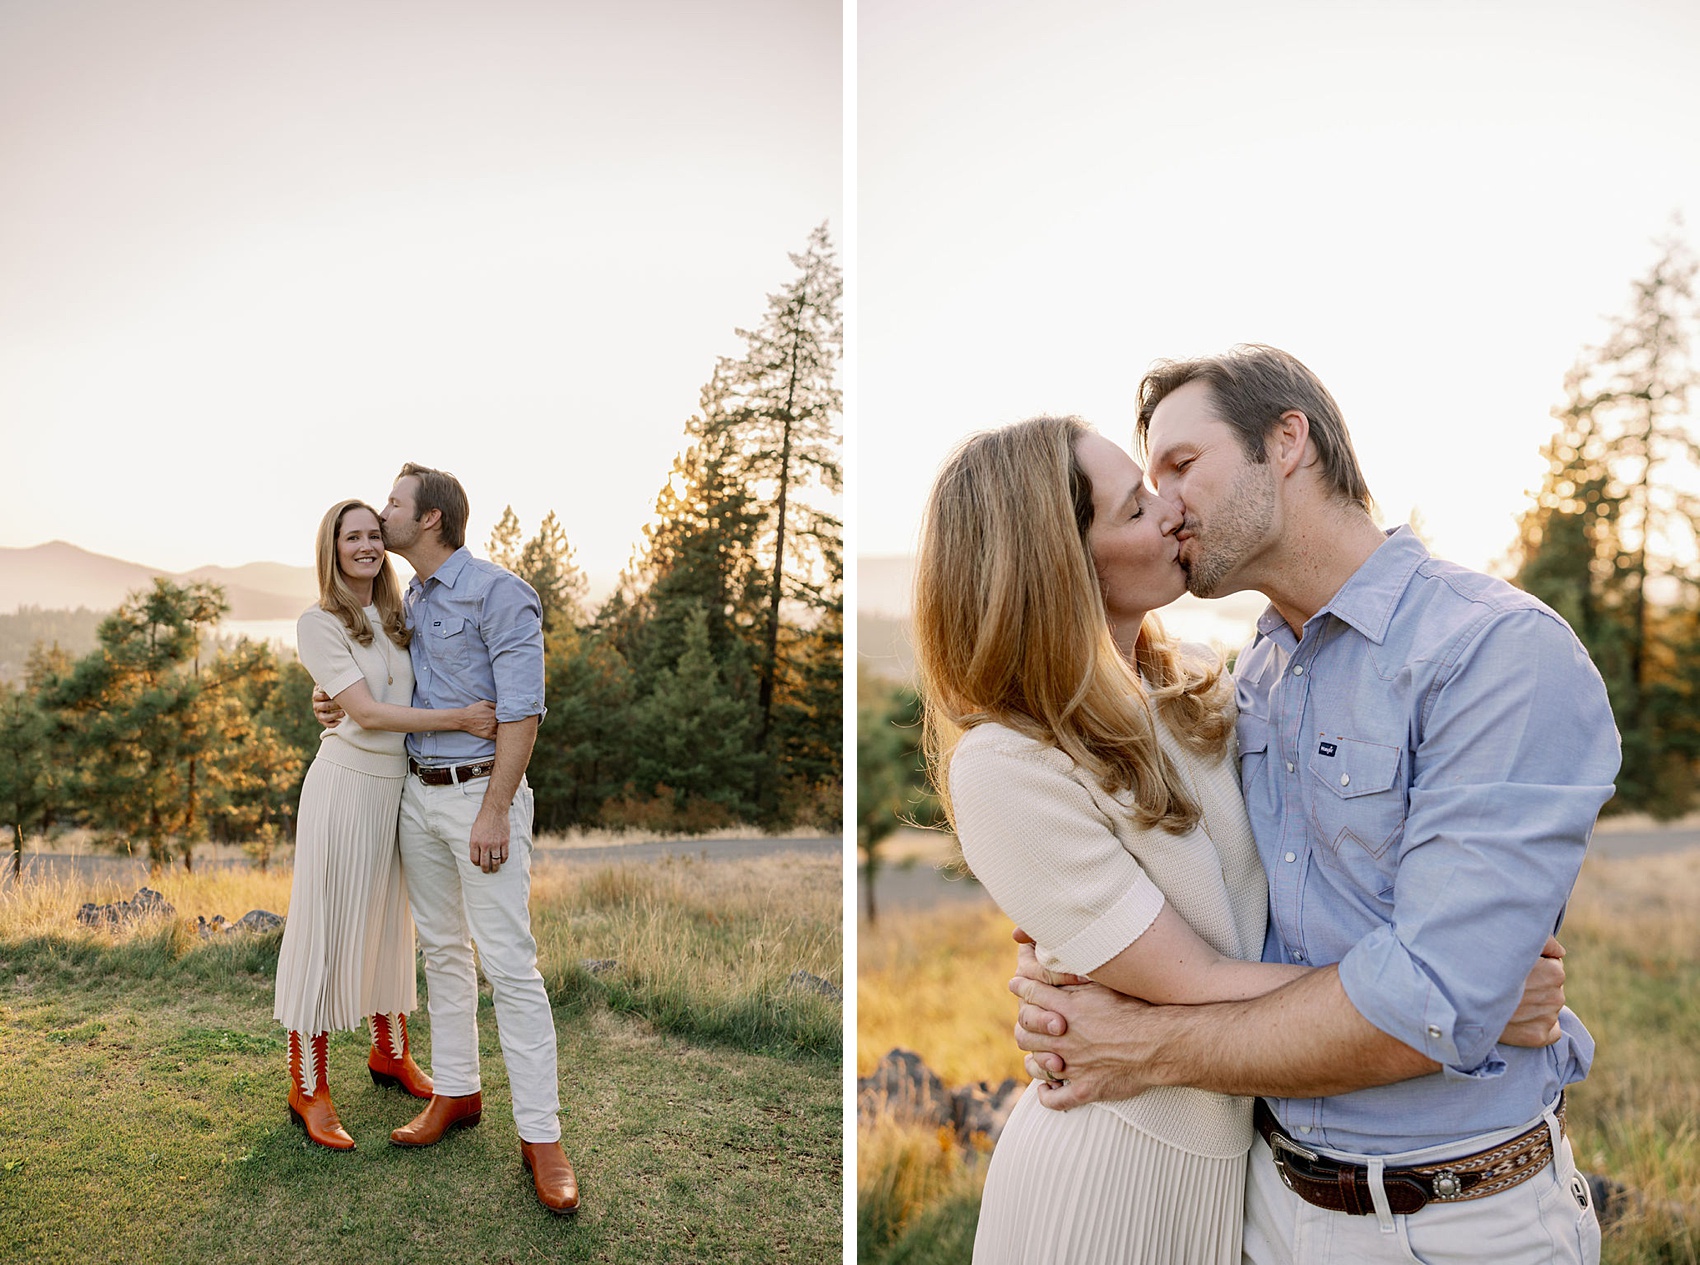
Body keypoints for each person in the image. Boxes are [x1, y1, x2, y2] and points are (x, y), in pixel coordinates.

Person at [1010, 346, 1620, 1264]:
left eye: (1183, 465)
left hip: (1458, 1218)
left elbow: (1434, 998)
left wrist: (1140, 1044)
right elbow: (1186, 908)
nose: (1165, 504)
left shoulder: (1494, 652)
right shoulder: (1242, 685)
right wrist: (1071, 972)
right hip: (1260, 1207)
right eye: (1149, 481)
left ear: (1286, 441)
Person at [313, 463, 577, 1214]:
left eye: (393, 503)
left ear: (428, 519)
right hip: (414, 798)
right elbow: (376, 685)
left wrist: (495, 810)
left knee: (510, 965)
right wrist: (328, 697)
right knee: (442, 952)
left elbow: (522, 713)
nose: (382, 513)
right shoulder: (408, 600)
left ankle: (543, 1137)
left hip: (477, 799)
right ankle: (458, 1092)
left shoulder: (500, 593)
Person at [276, 498, 497, 1150]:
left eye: (375, 534)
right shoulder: (318, 621)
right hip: (343, 788)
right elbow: (368, 714)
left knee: (392, 926)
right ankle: (307, 1085)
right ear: (333, 547)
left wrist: (330, 696)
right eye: (354, 537)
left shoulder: (399, 615)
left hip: (397, 790)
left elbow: (408, 686)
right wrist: (460, 718)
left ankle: (389, 1053)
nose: (368, 545)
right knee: (323, 928)